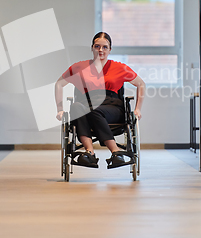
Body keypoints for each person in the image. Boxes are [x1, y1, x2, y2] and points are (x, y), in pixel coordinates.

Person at [55, 32, 145, 169]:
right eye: (97, 46)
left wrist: (137, 109)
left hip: (112, 107)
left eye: (104, 47)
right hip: (87, 104)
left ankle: (115, 151)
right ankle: (89, 152)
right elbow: (59, 84)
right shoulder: (80, 67)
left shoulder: (119, 68)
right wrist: (59, 109)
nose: (101, 50)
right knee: (76, 108)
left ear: (110, 49)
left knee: (93, 111)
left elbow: (141, 84)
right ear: (92, 47)